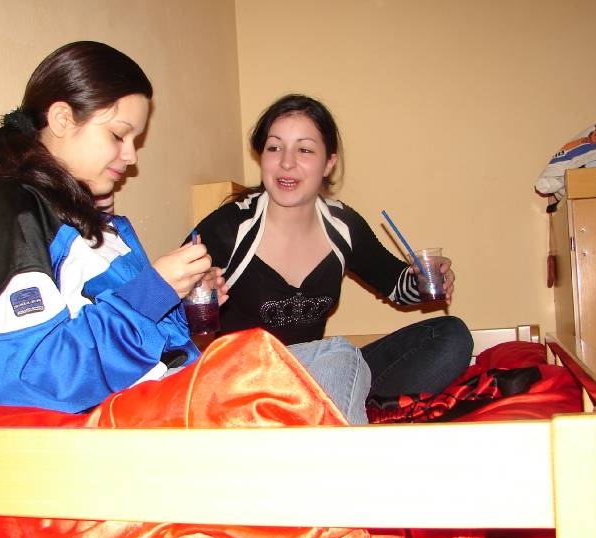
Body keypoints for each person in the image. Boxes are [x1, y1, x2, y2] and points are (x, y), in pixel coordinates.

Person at [0, 42, 370, 423]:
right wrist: (154, 290)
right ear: (61, 119)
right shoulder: (11, 215)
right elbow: (29, 378)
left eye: (135, 140)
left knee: (342, 357)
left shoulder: (86, 219)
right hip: (119, 420)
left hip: (159, 396)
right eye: (118, 135)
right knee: (338, 359)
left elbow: (133, 336)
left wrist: (182, 304)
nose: (131, 156)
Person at [191, 93, 473, 397]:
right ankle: (342, 407)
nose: (286, 162)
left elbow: (396, 286)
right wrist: (194, 295)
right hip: (246, 387)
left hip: (318, 378)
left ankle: (339, 404)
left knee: (450, 335)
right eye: (274, 147)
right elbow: (168, 313)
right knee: (339, 357)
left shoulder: (343, 226)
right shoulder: (230, 227)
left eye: (304, 149)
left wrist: (426, 277)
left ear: (328, 163)